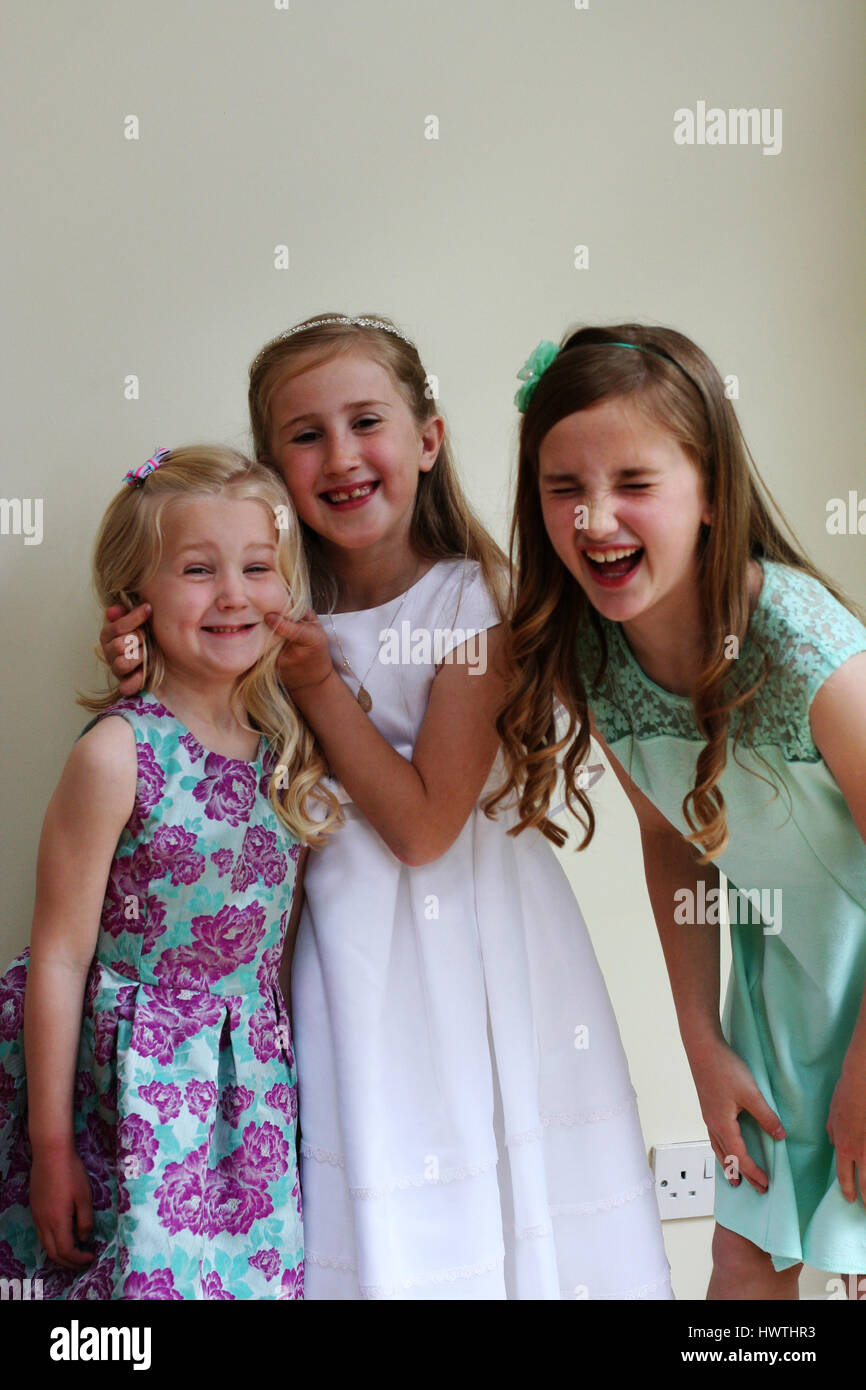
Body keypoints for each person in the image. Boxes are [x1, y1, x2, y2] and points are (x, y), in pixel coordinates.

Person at [99, 314, 672, 1300]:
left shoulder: (468, 604)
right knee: (375, 1196)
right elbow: (203, 753)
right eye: (305, 434)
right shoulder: (270, 599)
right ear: (274, 471)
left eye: (366, 421)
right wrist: (146, 663)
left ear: (427, 441)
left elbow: (419, 827)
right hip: (342, 952)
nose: (341, 456)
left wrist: (318, 682)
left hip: (475, 952)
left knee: (489, 1189)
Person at [489, 324, 866, 1299]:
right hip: (781, 1000)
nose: (593, 517)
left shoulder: (805, 649)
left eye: (633, 483)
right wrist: (700, 1045)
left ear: (707, 491)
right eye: (562, 487)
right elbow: (672, 844)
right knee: (741, 1262)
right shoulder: (593, 658)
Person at [0, 445, 341, 1299]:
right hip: (124, 1097)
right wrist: (51, 1150)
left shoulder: (288, 750)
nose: (233, 593)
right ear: (134, 600)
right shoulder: (121, 754)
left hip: (246, 1103)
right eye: (198, 569)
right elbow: (59, 957)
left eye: (258, 567)